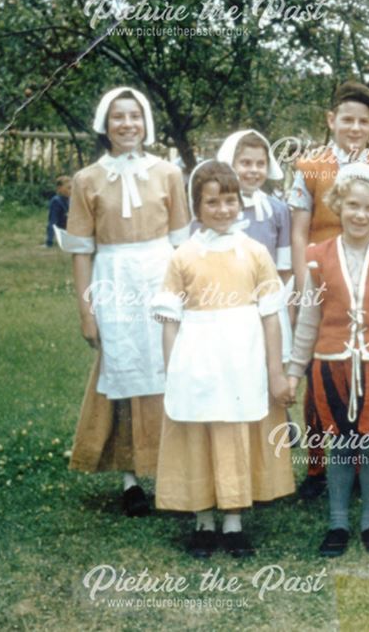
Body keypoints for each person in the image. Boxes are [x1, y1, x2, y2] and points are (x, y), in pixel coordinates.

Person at [55, 87, 190, 516]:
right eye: (118, 117)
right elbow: (81, 252)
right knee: (124, 369)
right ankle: (131, 477)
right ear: (104, 124)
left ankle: (174, 468)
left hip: (160, 274)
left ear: (146, 122)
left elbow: (183, 244)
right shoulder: (87, 180)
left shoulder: (168, 173)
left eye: (135, 116)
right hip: (113, 279)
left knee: (168, 367)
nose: (127, 124)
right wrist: (86, 310)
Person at [150, 161, 288, 558]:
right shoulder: (184, 257)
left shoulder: (255, 253)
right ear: (197, 208)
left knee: (232, 436)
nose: (223, 209)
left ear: (240, 204)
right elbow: (170, 321)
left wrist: (274, 369)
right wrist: (172, 369)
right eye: (212, 202)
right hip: (197, 361)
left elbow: (270, 317)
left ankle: (233, 521)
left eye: (230, 201)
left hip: (240, 361)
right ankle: (203, 520)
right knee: (198, 433)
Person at [287, 163, 369, 558]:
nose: (360, 215)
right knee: (341, 443)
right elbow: (310, 318)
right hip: (331, 363)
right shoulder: (317, 257)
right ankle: (338, 522)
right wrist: (295, 370)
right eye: (352, 205)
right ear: (337, 206)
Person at [287, 81, 369, 500]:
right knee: (321, 370)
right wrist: (305, 289)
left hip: (368, 281)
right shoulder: (310, 167)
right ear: (331, 120)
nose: (354, 128)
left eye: (364, 122)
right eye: (347, 119)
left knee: (368, 373)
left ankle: (361, 465)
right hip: (322, 280)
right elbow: (299, 233)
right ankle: (318, 467)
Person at [216, 129, 296, 504]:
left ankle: (267, 471)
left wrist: (272, 306)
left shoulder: (277, 209)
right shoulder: (218, 205)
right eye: (244, 163)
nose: (252, 170)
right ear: (231, 164)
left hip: (264, 306)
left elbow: (283, 269)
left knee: (268, 379)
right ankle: (232, 464)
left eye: (259, 163)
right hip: (225, 307)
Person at [45, 175, 72, 247]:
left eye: (72, 188)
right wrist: (49, 241)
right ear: (59, 188)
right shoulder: (56, 201)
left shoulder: (71, 199)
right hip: (62, 229)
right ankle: (49, 242)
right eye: (69, 188)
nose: (71, 190)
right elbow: (52, 222)